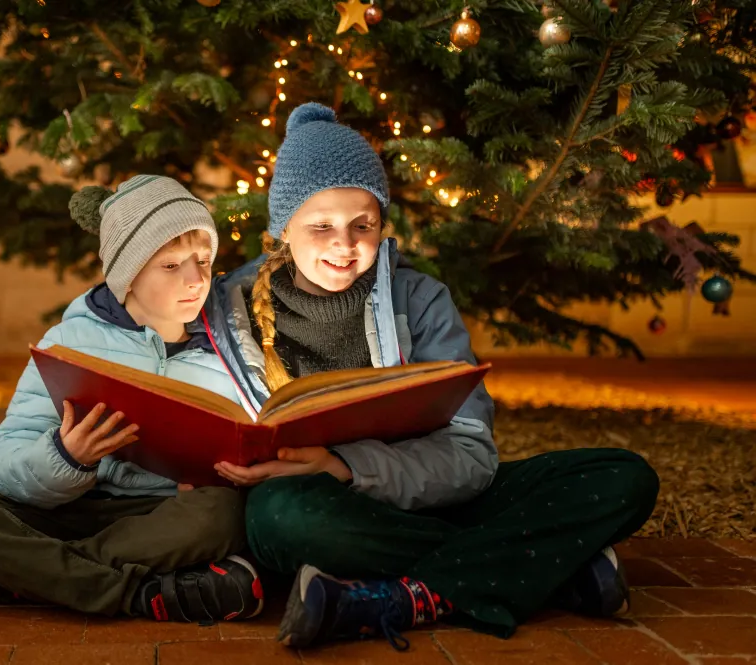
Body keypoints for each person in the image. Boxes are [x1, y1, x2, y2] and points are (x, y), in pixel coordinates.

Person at [201, 103, 659, 648]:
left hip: (421, 495)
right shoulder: (226, 310)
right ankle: (542, 570)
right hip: (316, 509)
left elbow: (471, 455)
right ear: (282, 230)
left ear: (382, 223)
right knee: (281, 517)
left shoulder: (419, 300)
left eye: (362, 225)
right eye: (320, 225)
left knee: (623, 475)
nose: (343, 244)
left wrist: (346, 465)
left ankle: (408, 594)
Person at [0, 175, 263, 624]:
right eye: (171, 266)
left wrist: (232, 472)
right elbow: (4, 469)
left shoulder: (231, 342)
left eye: (203, 260)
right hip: (69, 509)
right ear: (127, 274)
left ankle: (13, 579)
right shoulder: (69, 343)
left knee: (221, 513)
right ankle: (138, 594)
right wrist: (66, 457)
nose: (196, 279)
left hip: (161, 517)